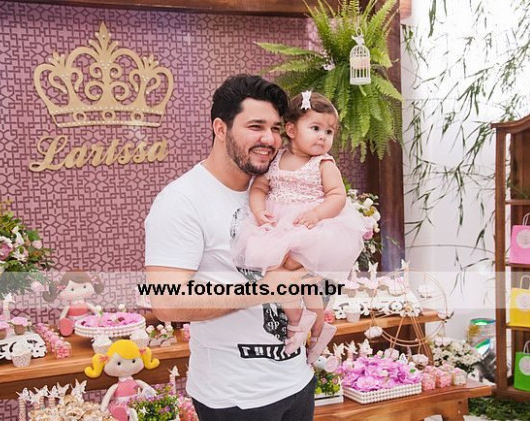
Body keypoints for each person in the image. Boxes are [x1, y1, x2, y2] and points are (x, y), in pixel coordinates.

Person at [145, 75, 319, 421]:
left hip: (297, 382)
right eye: (255, 126)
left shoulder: (276, 189)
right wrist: (263, 290)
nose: (269, 139)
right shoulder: (181, 201)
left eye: (275, 128)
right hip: (235, 399)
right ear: (220, 128)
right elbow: (166, 302)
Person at [231, 91, 366, 365]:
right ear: (291, 130)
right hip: (279, 226)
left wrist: (317, 214)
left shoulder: (323, 163)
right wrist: (258, 211)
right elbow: (259, 188)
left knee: (305, 278)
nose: (323, 137)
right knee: (278, 273)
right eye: (315, 128)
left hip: (310, 225)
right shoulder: (276, 160)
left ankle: (316, 327)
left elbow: (337, 196)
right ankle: (299, 322)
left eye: (329, 132)